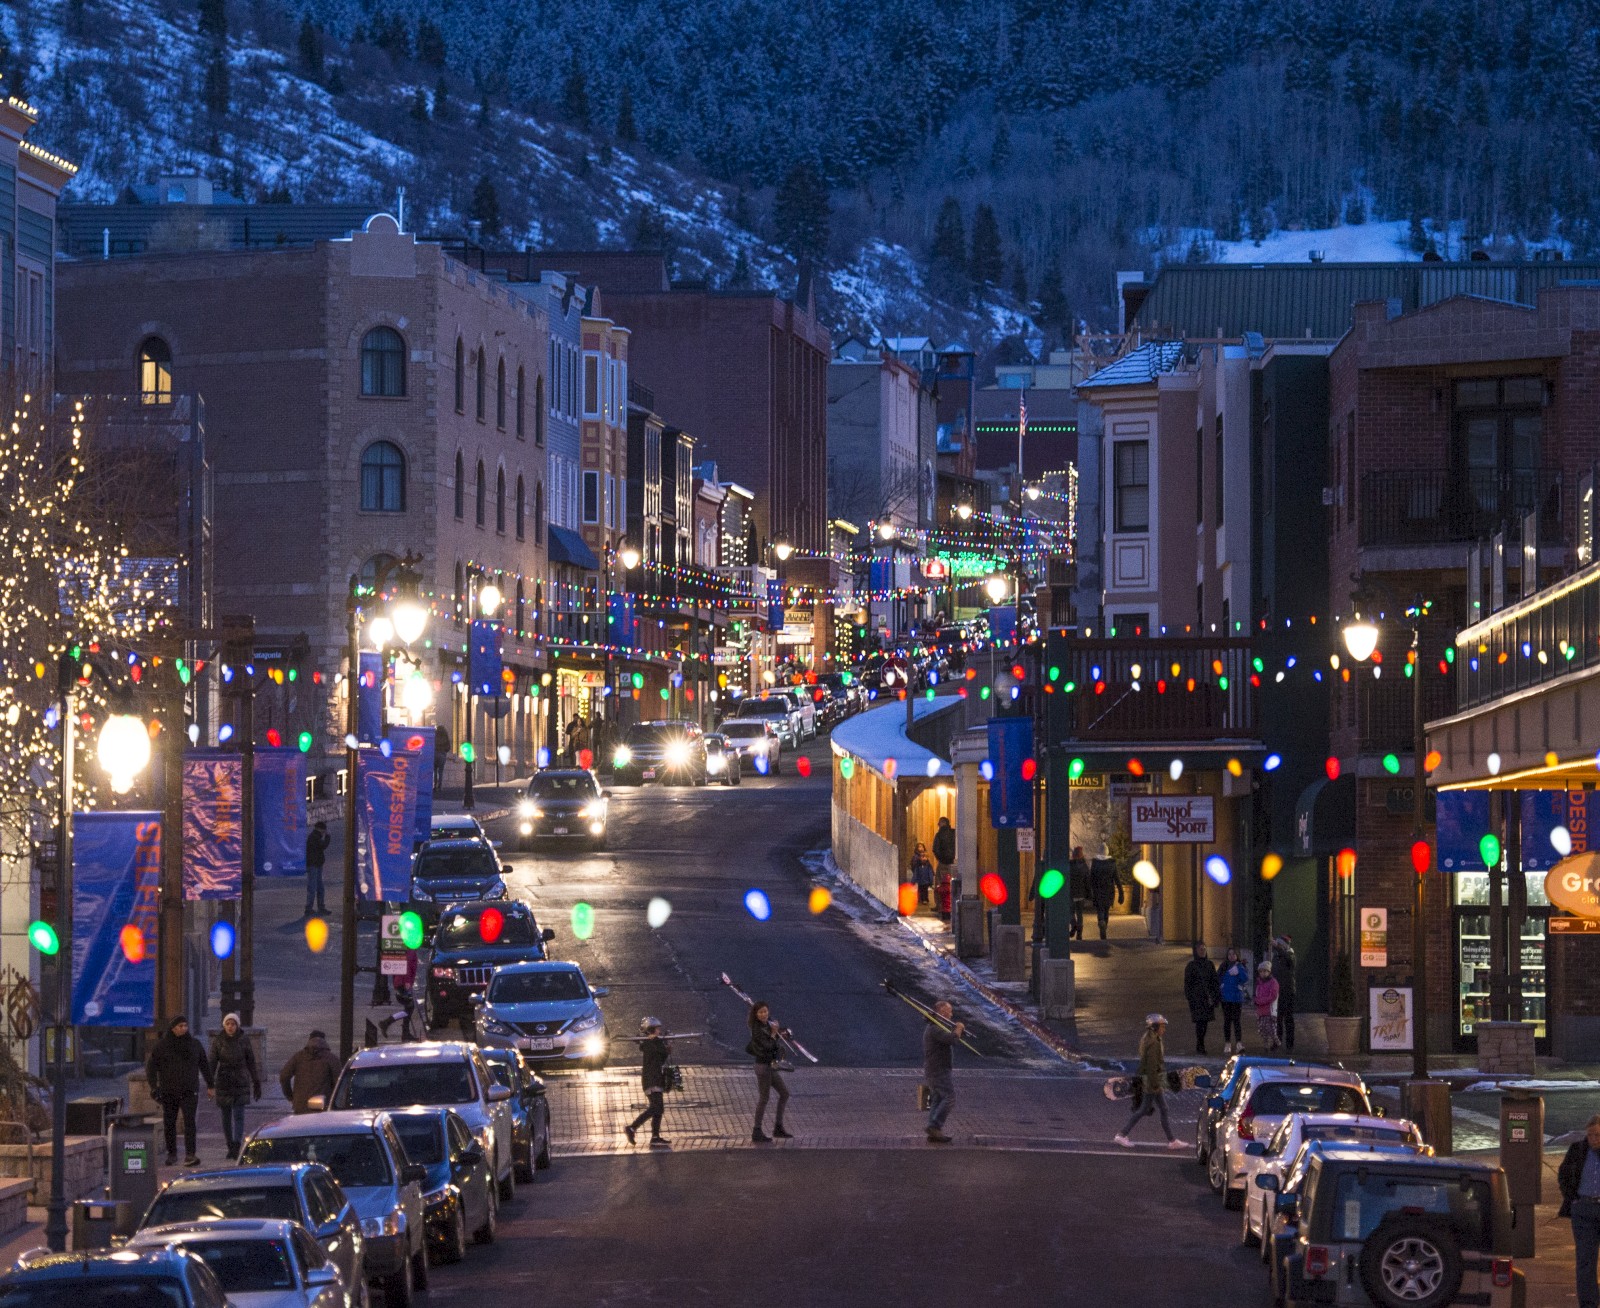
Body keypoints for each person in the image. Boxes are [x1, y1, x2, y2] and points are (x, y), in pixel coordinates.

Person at [145, 1015, 213, 1166]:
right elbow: (151, 1067)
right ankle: (172, 1153)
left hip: (189, 1090)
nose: (184, 1028)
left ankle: (190, 1154)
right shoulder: (162, 1046)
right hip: (169, 1090)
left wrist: (210, 1084)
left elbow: (204, 1064)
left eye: (185, 1025)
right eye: (180, 1026)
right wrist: (154, 1087)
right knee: (170, 1122)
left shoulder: (194, 1044)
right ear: (173, 1028)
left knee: (190, 1122)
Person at [1114, 1014, 1187, 1149]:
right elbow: (1152, 1065)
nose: (1164, 1029)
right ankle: (1121, 1134)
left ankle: (1172, 1140)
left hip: (1153, 1079)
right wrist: (1155, 1084)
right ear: (1155, 1027)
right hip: (1152, 1081)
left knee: (1163, 1108)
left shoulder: (1152, 1039)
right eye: (1162, 1026)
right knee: (1143, 1110)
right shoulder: (1153, 1043)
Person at [1558, 1114, 1600, 1308]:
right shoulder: (1578, 1150)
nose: (1594, 1139)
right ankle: (1588, 1303)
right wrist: (1572, 1198)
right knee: (1585, 1261)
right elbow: (1564, 1174)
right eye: (1591, 1135)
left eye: (1598, 1135)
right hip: (1583, 1209)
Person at [208, 1013, 261, 1160]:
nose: (230, 1027)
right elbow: (212, 1062)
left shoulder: (243, 1040)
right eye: (228, 1024)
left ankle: (237, 1144)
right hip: (224, 1080)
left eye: (233, 1024)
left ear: (237, 1026)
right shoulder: (218, 1041)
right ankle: (229, 1145)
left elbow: (250, 1060)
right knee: (225, 1116)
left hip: (240, 1080)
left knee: (238, 1115)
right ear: (224, 1025)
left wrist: (255, 1081)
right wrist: (210, 1083)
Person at [746, 1001, 792, 1143]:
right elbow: (767, 1046)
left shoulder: (766, 1025)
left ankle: (778, 1127)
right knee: (764, 1098)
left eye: (765, 1011)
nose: (764, 1014)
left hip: (770, 1066)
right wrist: (773, 1034)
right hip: (763, 1067)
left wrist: (780, 1034)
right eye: (760, 1012)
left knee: (784, 1093)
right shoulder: (756, 1029)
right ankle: (757, 1130)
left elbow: (773, 1043)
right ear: (756, 1014)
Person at [624, 1018, 672, 1148]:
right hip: (652, 1079)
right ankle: (632, 1127)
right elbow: (659, 1053)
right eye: (657, 1029)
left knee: (659, 1108)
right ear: (651, 1030)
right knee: (655, 1107)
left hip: (656, 1078)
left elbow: (660, 1059)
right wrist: (665, 1047)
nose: (659, 1031)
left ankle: (655, 1137)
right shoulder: (650, 1043)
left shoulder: (654, 1043)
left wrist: (666, 1048)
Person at [923, 1001, 962, 1144]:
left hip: (935, 1069)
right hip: (938, 1070)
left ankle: (933, 1129)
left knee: (937, 1099)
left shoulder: (937, 1026)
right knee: (949, 1097)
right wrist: (959, 1028)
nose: (951, 1014)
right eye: (949, 1011)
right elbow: (952, 1039)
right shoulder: (935, 1028)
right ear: (941, 1012)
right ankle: (935, 1125)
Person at [279, 1029, 341, 1114]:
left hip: (300, 1106)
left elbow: (284, 1077)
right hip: (322, 1106)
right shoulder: (331, 1059)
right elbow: (339, 1083)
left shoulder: (298, 1057)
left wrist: (291, 1097)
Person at [1183, 943, 1221, 1055]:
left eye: (1204, 949)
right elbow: (1187, 984)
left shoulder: (1209, 964)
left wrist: (1215, 997)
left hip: (1207, 999)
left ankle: (1201, 1043)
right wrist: (1190, 997)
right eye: (1200, 949)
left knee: (1204, 1023)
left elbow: (1214, 981)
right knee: (1200, 1022)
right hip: (1197, 999)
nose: (1203, 951)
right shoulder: (1191, 966)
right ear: (1196, 950)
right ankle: (1200, 1044)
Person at [1218, 947, 1251, 1054]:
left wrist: (1239, 971)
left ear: (1237, 956)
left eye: (1234, 954)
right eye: (1230, 954)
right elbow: (1218, 978)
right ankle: (1227, 1043)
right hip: (1226, 998)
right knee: (1227, 1021)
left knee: (1236, 1021)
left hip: (1236, 998)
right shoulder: (1223, 966)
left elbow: (1245, 979)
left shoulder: (1240, 966)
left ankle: (1238, 1043)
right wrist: (1221, 986)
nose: (1231, 956)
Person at [1271, 933, 1297, 1052]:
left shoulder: (1290, 956)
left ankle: (1289, 1044)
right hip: (1277, 992)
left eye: (1281, 945)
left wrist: (1278, 948)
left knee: (1288, 1018)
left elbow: (1288, 960)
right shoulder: (1276, 957)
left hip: (1287, 991)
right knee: (1277, 1019)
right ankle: (1277, 1042)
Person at [303, 820, 330, 917]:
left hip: (316, 864)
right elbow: (323, 846)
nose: (324, 832)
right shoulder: (314, 837)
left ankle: (320, 907)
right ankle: (309, 908)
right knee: (313, 887)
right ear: (320, 829)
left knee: (319, 887)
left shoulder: (314, 836)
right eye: (323, 830)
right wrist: (327, 837)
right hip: (314, 865)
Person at [1253, 961, 1281, 1052]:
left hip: (1269, 1010)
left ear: (1269, 972)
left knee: (1271, 1030)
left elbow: (1273, 996)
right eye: (1261, 971)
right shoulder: (1259, 983)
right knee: (1263, 1030)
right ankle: (1266, 1046)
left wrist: (1259, 1001)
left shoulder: (1273, 982)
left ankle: (1276, 1042)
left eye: (1265, 971)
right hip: (1261, 1011)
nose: (1263, 973)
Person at [1088, 855, 1118, 940]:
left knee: (1100, 909)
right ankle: (1104, 924)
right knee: (1106, 909)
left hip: (1098, 891)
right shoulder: (1112, 864)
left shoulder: (1095, 864)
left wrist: (1090, 891)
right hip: (1109, 891)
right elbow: (1116, 878)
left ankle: (1101, 922)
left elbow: (1091, 879)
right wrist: (1121, 892)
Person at [1068, 847, 1091, 940]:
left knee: (1070, 912)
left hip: (1071, 893)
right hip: (1081, 894)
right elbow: (1087, 882)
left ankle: (1073, 925)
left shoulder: (1069, 865)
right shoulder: (1084, 866)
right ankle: (1079, 933)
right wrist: (1089, 893)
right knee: (1080, 914)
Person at [909, 842, 934, 907]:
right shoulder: (918, 864)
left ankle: (925, 899)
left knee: (925, 890)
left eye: (925, 857)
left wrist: (931, 881)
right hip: (920, 880)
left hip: (926, 881)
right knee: (920, 890)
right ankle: (920, 898)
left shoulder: (928, 865)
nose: (924, 858)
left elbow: (930, 872)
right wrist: (913, 882)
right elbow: (915, 873)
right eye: (922, 857)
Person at [433, 724, 451, 790]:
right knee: (440, 771)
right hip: (442, 754)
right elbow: (448, 747)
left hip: (435, 753)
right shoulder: (445, 736)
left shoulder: (435, 735)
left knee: (434, 770)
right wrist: (444, 750)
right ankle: (440, 786)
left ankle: (434, 785)